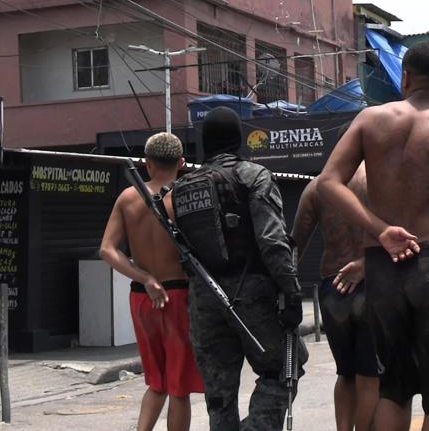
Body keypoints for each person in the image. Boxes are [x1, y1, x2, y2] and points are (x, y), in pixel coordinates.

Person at [317, 41, 429, 431]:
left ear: (404, 77)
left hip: (384, 266)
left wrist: (380, 230)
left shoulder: (369, 120)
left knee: (393, 390)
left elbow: (329, 184)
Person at [173, 107, 306, 431]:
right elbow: (272, 241)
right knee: (284, 368)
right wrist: (291, 292)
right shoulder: (254, 176)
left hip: (204, 300)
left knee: (219, 395)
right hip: (251, 294)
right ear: (239, 139)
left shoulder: (184, 187)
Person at [100, 132, 204, 431]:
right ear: (182, 163)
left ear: (146, 164)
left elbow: (107, 249)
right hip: (180, 296)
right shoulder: (186, 197)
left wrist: (144, 277)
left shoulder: (128, 198)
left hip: (142, 297)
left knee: (156, 382)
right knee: (178, 387)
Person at [292, 158, 379, 431]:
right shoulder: (379, 178)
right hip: (370, 283)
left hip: (333, 288)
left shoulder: (317, 186)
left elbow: (294, 245)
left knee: (346, 373)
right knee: (370, 376)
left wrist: (286, 292)